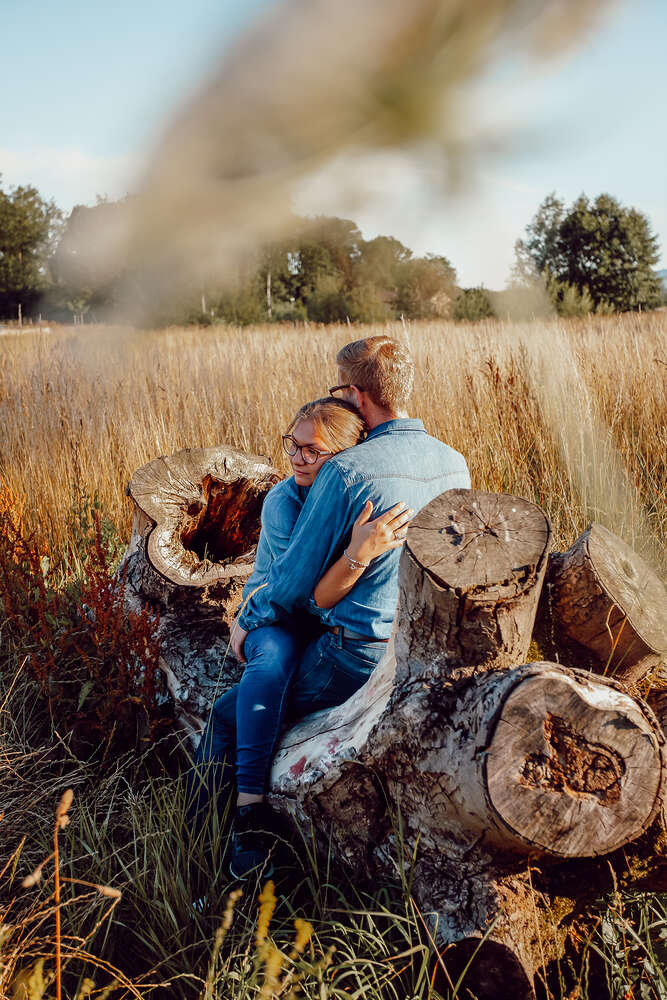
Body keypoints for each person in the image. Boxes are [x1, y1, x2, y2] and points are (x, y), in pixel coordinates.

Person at [197, 335, 471, 878]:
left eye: (337, 391)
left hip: (351, 655)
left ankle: (213, 850)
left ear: (354, 395)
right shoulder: (454, 464)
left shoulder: (350, 471)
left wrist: (245, 621)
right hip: (413, 645)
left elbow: (294, 588)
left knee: (227, 718)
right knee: (266, 672)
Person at [187, 394, 411, 877]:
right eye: (294, 445)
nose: (297, 458)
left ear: (345, 457)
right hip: (276, 615)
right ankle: (245, 810)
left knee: (251, 701)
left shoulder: (353, 491)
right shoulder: (284, 500)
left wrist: (362, 550)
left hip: (323, 626)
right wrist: (357, 552)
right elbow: (297, 593)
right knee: (271, 666)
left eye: (313, 451)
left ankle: (229, 831)